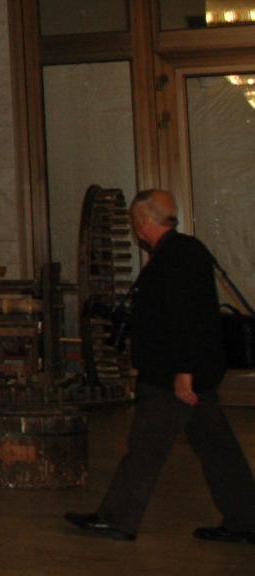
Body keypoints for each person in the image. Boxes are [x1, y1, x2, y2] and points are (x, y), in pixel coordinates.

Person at [66, 189, 255, 544]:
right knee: (217, 447)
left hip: (171, 376)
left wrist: (184, 372)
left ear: (142, 221)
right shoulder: (186, 250)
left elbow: (185, 318)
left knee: (146, 448)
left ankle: (118, 520)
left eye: (133, 220)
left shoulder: (173, 257)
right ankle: (246, 520)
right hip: (192, 371)